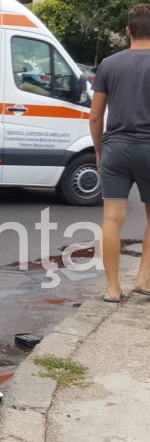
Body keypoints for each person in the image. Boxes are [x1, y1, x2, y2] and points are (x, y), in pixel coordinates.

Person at [90, 3, 150, 302]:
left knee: (113, 218)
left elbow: (95, 117)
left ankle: (112, 289)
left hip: (115, 147)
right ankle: (143, 280)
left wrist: (101, 151)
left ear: (128, 31)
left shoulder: (109, 64)